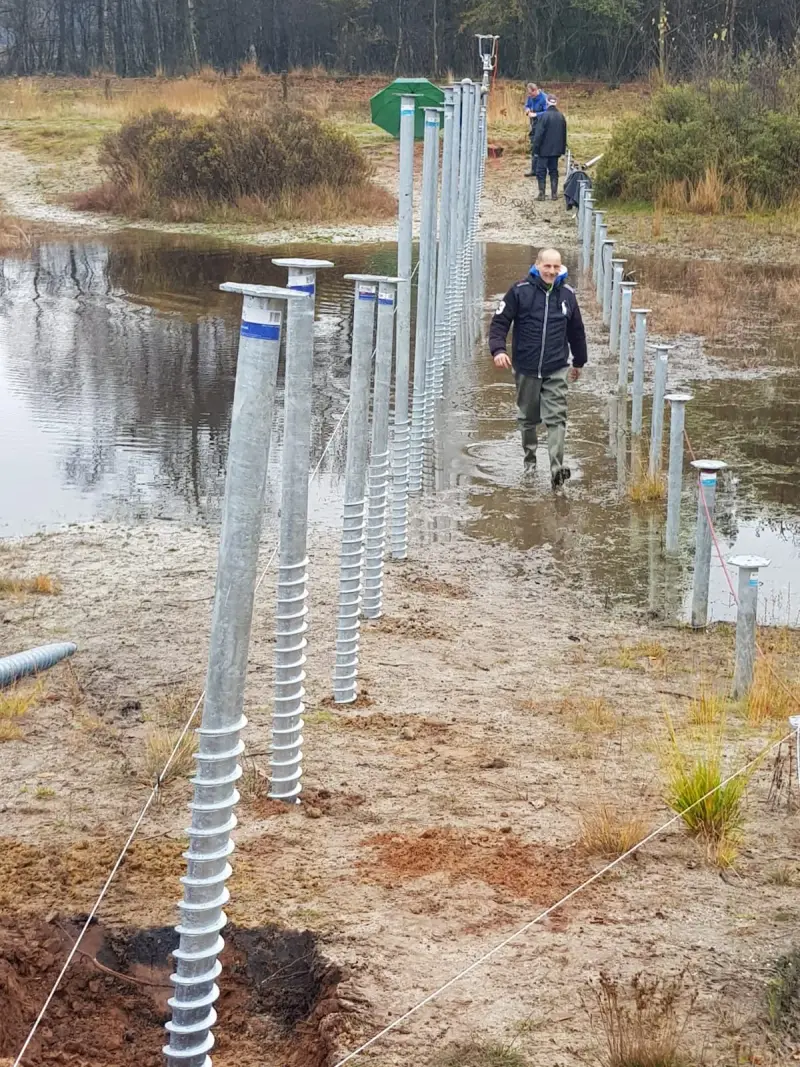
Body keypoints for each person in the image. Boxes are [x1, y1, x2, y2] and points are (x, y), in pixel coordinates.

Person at [489, 248, 587, 489]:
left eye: (556, 267)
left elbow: (577, 331)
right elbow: (500, 322)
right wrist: (498, 350)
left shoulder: (567, 295)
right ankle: (530, 462)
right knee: (528, 418)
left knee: (556, 417)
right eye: (547, 266)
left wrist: (579, 362)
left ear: (561, 268)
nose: (552, 271)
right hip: (527, 367)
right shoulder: (519, 291)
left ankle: (556, 468)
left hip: (556, 368)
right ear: (537, 266)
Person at [533, 95, 567, 201]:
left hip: (543, 150)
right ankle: (554, 194)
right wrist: (562, 149)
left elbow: (538, 134)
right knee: (553, 171)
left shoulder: (543, 116)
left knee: (541, 171)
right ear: (556, 103)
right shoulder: (561, 116)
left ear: (547, 103)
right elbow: (564, 134)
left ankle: (542, 194)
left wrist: (535, 149)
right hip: (556, 150)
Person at [523, 82, 548, 178]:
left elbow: (547, 112)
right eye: (528, 94)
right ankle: (533, 170)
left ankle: (542, 170)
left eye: (530, 93)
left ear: (535, 90)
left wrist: (536, 114)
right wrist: (527, 110)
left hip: (542, 125)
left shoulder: (544, 98)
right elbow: (527, 105)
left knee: (541, 146)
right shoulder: (530, 98)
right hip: (533, 124)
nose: (529, 96)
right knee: (533, 145)